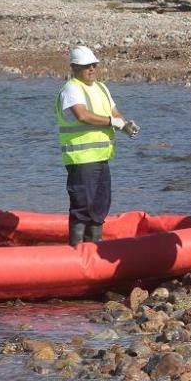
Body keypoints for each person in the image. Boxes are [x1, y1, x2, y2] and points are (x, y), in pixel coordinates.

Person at [57, 45, 140, 246]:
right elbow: (82, 115)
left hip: (102, 157)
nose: (92, 69)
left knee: (100, 206)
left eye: (94, 65)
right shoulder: (71, 88)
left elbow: (114, 112)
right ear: (74, 67)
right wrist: (113, 122)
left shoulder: (102, 88)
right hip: (82, 159)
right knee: (82, 206)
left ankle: (94, 251)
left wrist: (125, 123)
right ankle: (77, 253)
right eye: (87, 66)